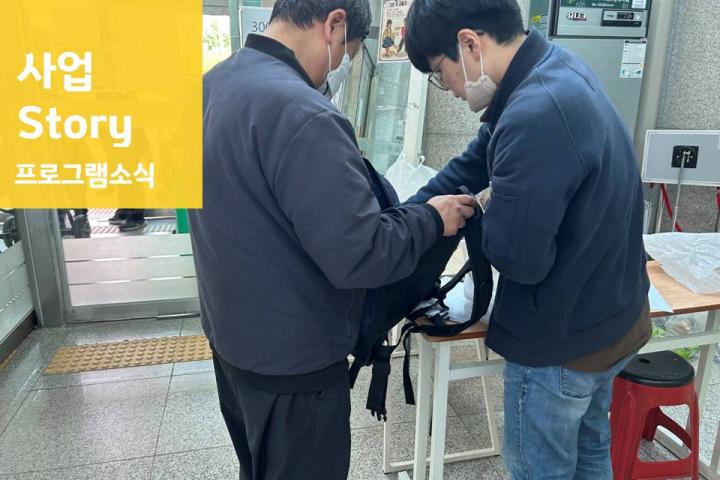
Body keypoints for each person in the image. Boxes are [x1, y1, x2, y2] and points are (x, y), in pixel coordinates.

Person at [189, 1, 475, 479]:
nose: (340, 66)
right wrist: (431, 218)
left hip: (233, 346)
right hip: (294, 366)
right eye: (348, 51)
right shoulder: (304, 114)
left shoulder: (211, 85)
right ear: (334, 24)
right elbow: (360, 254)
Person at [403, 1, 651, 478]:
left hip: (564, 341)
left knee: (543, 469)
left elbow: (519, 260)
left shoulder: (535, 112)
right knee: (590, 450)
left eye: (439, 72)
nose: (447, 89)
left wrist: (489, 207)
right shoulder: (548, 69)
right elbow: (473, 162)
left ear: (469, 44)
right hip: (613, 316)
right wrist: (409, 215)